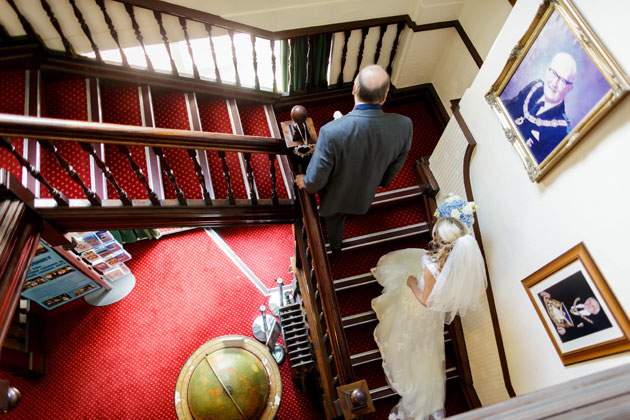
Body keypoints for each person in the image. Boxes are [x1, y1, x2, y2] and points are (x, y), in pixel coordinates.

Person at [371, 195, 487, 420]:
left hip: (420, 308)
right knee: (427, 345)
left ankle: (418, 402)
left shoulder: (432, 266)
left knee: (410, 341)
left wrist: (413, 285)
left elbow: (428, 301)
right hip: (432, 313)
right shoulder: (459, 262)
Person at [295, 65, 412, 254]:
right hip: (364, 195)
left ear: (354, 89)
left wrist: (306, 181)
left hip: (336, 198)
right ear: (385, 96)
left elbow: (316, 180)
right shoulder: (404, 125)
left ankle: (335, 246)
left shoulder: (330, 132)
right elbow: (398, 161)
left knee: (335, 220)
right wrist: (384, 181)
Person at [503, 52, 577, 164]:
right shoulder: (534, 87)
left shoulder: (561, 131)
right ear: (547, 70)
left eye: (562, 80)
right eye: (554, 73)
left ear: (569, 88)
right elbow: (506, 108)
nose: (554, 83)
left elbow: (535, 165)